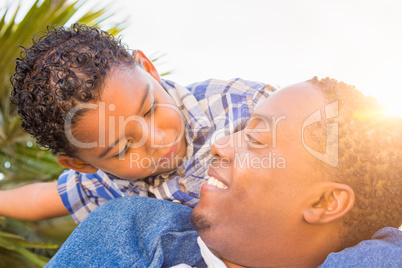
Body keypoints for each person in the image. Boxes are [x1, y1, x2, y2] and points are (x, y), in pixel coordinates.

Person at [46, 77, 402, 267]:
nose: (219, 144)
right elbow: (55, 194)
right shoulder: (131, 230)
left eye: (257, 139)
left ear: (326, 201)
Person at [0, 23, 276, 223]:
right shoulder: (104, 180)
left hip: (292, 236)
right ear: (82, 164)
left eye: (150, 109)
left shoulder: (237, 104)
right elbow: (41, 199)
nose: (156, 140)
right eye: (123, 149)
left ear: (149, 69)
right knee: (113, 226)